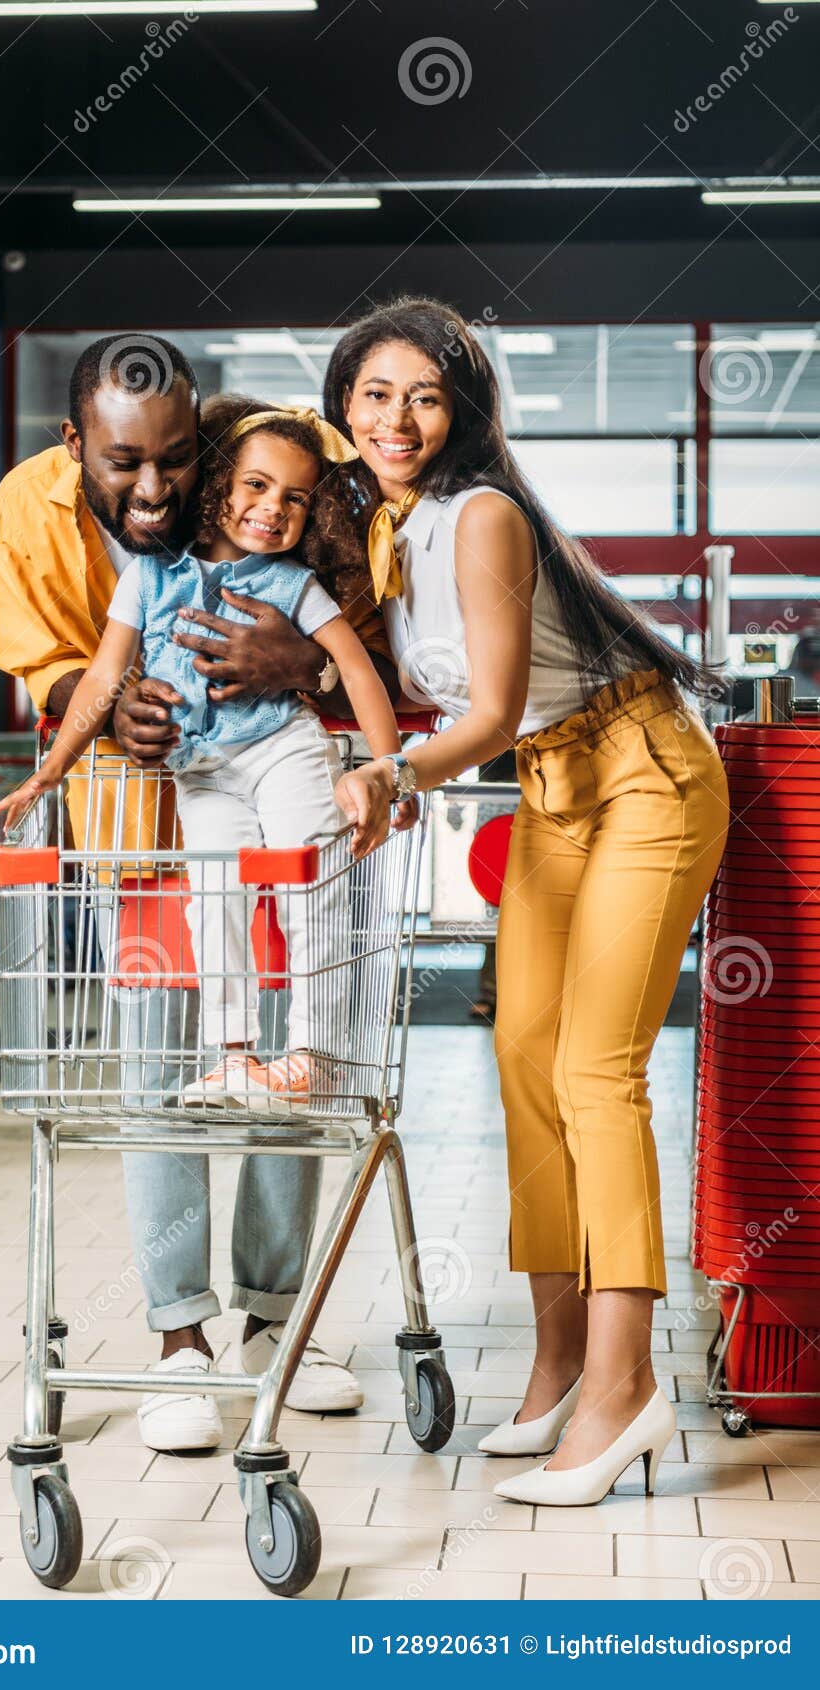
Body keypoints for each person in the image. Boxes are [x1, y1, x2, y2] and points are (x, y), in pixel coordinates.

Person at [326, 297, 729, 1506]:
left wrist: (396, 772)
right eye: (376, 393)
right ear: (344, 402)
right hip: (559, 785)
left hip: (647, 772)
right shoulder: (389, 529)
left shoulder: (483, 514)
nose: (398, 418)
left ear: (464, 413)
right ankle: (559, 1361)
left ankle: (624, 1389)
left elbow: (489, 713)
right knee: (523, 1053)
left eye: (426, 396)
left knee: (597, 1070)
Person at [0, 337, 386, 1451]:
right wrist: (101, 702)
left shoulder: (256, 477)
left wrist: (294, 662)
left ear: (202, 449)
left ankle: (271, 1325)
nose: (153, 490)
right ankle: (180, 1339)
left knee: (282, 1058)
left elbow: (362, 629)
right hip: (132, 828)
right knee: (156, 1072)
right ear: (80, 450)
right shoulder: (31, 506)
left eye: (176, 463)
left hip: (265, 816)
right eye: (125, 467)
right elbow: (39, 657)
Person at [0, 399, 414, 1111]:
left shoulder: (292, 586)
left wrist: (389, 770)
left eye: (295, 499)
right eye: (255, 486)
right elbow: (100, 679)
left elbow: (362, 672)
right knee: (213, 899)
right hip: (203, 772)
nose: (273, 508)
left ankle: (313, 1055)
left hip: (285, 751)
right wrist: (51, 769)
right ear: (216, 485)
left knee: (307, 887)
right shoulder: (150, 578)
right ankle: (234, 1056)